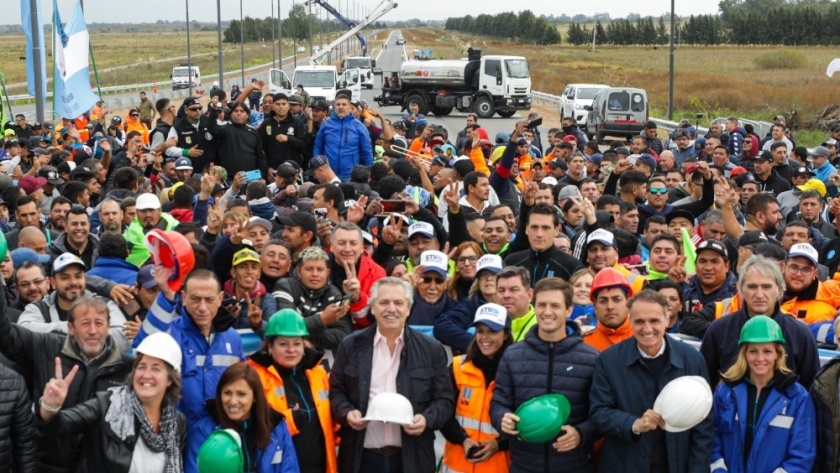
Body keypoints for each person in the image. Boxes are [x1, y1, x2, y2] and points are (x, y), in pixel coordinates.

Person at [329, 277, 454, 473]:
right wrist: (346, 413)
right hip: (361, 458)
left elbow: (444, 400)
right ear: (372, 307)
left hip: (412, 460)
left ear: (409, 308)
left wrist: (426, 419)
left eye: (398, 303)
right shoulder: (350, 345)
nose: (391, 309)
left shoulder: (432, 350)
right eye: (384, 302)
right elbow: (336, 391)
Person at [590, 290, 713, 473]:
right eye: (639, 321)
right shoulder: (609, 360)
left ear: (666, 319)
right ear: (630, 320)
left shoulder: (691, 359)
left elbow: (703, 424)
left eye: (654, 321)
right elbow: (598, 413)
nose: (647, 329)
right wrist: (634, 424)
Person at [37, 332, 187, 473]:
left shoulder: (177, 422)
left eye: (156, 369)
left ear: (169, 380)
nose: (146, 375)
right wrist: (50, 407)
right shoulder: (107, 405)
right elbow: (60, 427)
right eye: (141, 367)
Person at [491, 278, 599, 473]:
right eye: (542, 305)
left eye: (555, 305)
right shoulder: (513, 355)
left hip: (574, 466)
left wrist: (582, 434)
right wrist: (502, 419)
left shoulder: (591, 358)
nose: (547, 312)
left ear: (568, 310)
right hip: (524, 466)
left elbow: (601, 412)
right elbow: (498, 402)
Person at [133, 268, 245, 426]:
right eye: (195, 299)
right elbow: (140, 350)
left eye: (209, 299)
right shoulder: (170, 333)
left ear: (220, 298)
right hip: (178, 436)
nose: (202, 307)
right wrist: (166, 296)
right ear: (183, 298)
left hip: (221, 439)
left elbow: (245, 385)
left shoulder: (233, 339)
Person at [711, 316, 816, 473]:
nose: (760, 358)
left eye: (767, 351)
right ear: (744, 354)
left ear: (777, 354)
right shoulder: (725, 392)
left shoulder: (797, 397)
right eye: (753, 351)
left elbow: (802, 456)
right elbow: (712, 439)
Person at [701, 255, 819, 388]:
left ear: (779, 290)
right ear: (741, 289)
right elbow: (704, 383)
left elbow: (812, 388)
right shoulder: (718, 330)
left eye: (766, 287)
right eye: (752, 287)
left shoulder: (800, 334)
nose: (759, 294)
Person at [245, 310, 335, 473]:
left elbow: (331, 422)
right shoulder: (253, 377)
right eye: (283, 344)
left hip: (321, 466)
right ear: (270, 347)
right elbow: (251, 426)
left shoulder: (317, 373)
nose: (291, 350)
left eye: (296, 343)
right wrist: (290, 421)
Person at [186, 362, 300, 473]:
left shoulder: (277, 427)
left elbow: (289, 469)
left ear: (255, 396)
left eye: (241, 394)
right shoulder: (202, 431)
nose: (233, 401)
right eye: (227, 393)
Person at [440, 303, 512, 473]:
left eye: (492, 331)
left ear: (506, 334)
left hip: (498, 467)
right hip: (456, 466)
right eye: (480, 331)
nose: (484, 337)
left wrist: (499, 444)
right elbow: (443, 415)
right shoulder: (458, 367)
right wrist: (463, 440)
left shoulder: (516, 372)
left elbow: (524, 425)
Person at [272, 246, 353, 351]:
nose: (315, 274)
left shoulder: (334, 293)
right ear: (299, 271)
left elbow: (342, 336)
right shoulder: (285, 286)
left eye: (320, 269)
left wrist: (304, 333)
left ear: (327, 273)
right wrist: (322, 320)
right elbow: (287, 327)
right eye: (309, 269)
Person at [434, 254, 504, 354]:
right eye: (484, 275)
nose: (489, 278)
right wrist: (478, 344)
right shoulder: (470, 305)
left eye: (494, 274)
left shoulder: (513, 302)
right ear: (478, 282)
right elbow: (442, 327)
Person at [313, 89, 374, 181]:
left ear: (349, 107)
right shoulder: (326, 125)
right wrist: (318, 167)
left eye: (344, 104)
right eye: (338, 104)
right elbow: (318, 147)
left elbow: (367, 152)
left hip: (350, 176)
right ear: (334, 106)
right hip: (329, 174)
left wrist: (369, 173)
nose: (341, 107)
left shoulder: (359, 126)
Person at [583, 267, 634, 352]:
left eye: (617, 300)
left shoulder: (643, 336)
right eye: (603, 301)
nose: (610, 306)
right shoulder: (583, 342)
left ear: (628, 302)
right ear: (594, 306)